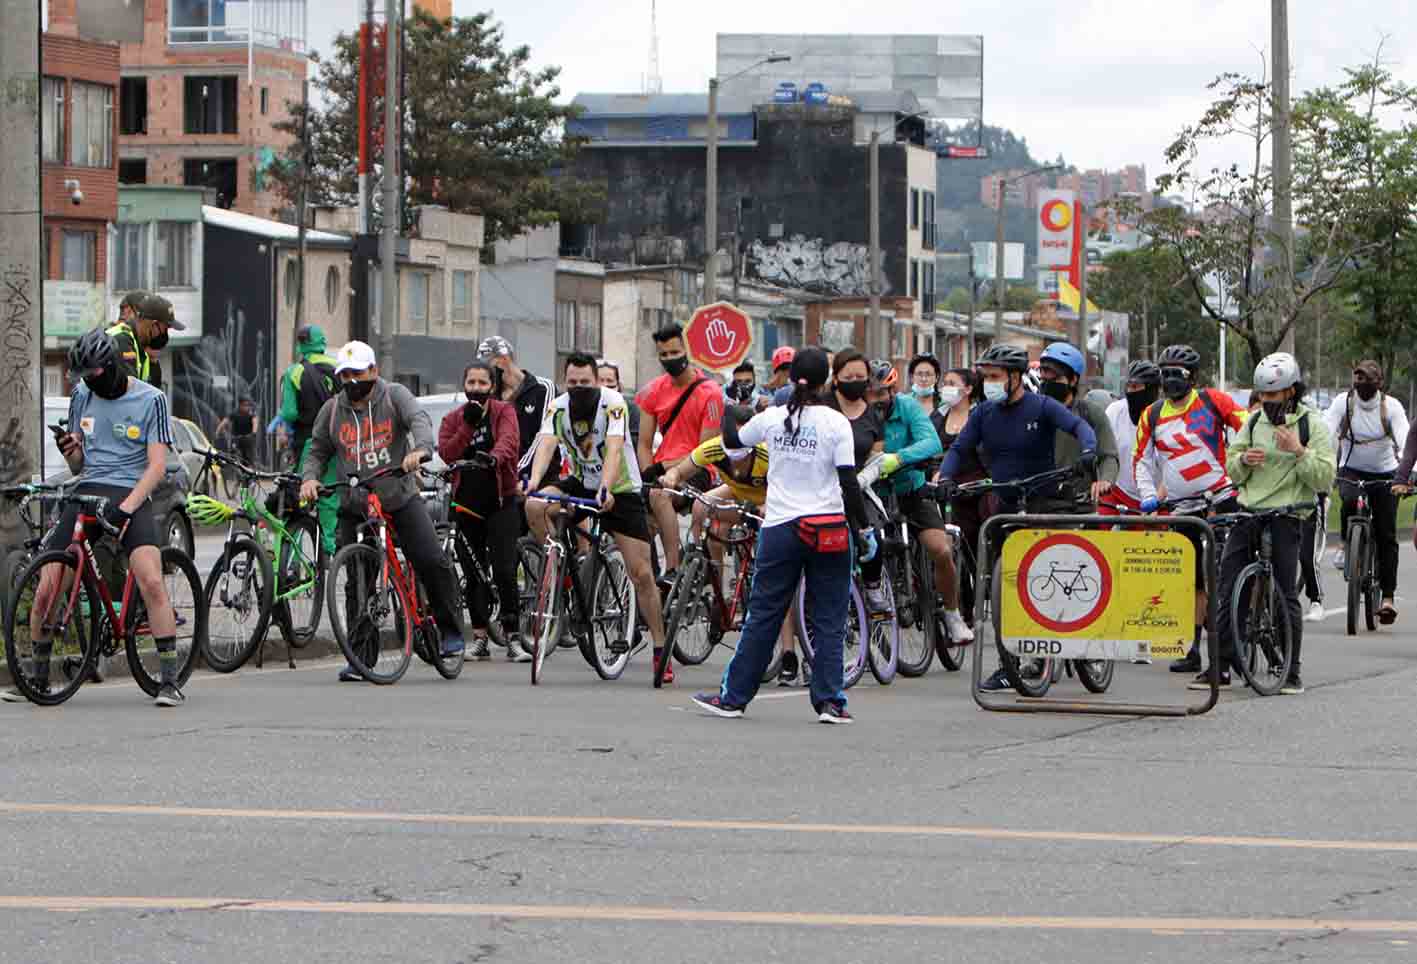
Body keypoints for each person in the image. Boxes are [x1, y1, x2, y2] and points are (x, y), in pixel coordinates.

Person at [691, 347, 875, 723]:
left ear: (791, 379)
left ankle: (734, 698)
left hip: (780, 529)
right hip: (829, 529)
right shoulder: (836, 422)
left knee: (764, 615)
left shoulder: (772, 418)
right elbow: (848, 483)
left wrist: (730, 411)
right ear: (829, 380)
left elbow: (733, 445)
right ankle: (830, 702)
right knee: (829, 618)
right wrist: (864, 529)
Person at [4, 329, 185, 706]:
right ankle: (36, 678)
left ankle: (169, 679)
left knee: (151, 579)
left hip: (131, 493)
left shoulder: (151, 400)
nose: (89, 382)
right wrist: (69, 451)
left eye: (95, 375)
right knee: (47, 586)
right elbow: (78, 466)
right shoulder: (83, 394)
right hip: (88, 489)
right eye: (83, 376)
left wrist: (128, 507)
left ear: (114, 366)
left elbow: (155, 468)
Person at [934, 343, 1098, 692]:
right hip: (1003, 505)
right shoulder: (983, 414)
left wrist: (1087, 452)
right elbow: (960, 448)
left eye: (994, 377)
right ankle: (1010, 661)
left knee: (1048, 574)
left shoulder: (1041, 406)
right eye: (985, 377)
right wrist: (946, 478)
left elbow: (1081, 428)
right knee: (1004, 583)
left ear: (1014, 377)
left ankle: (1064, 638)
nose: (988, 383)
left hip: (1042, 501)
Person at [298, 341, 465, 679]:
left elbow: (419, 422)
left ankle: (450, 631)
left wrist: (419, 450)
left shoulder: (394, 396)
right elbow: (316, 451)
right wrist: (309, 479)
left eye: (357, 373)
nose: (351, 380)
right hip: (355, 502)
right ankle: (362, 658)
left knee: (432, 559)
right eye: (344, 375)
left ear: (373, 371)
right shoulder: (331, 411)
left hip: (399, 498)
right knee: (357, 581)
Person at [1196, 353, 1334, 695]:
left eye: (1275, 395)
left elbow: (1324, 478)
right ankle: (1221, 665)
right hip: (1249, 511)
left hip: (1287, 514)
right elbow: (1232, 466)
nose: (1268, 402)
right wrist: (1243, 459)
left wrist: (1298, 451)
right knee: (1227, 588)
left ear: (1291, 391)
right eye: (1263, 395)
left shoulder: (1311, 425)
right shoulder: (1254, 424)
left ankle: (1291, 672)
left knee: (1286, 592)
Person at [523, 353, 668, 675]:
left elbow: (615, 447)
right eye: (572, 383)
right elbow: (546, 443)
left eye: (585, 383)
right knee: (534, 505)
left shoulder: (612, 403)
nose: (578, 388)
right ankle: (558, 571)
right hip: (579, 481)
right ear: (565, 382)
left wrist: (606, 486)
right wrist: (533, 481)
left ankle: (660, 646)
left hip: (620, 488)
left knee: (642, 574)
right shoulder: (558, 406)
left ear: (596, 382)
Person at [659, 405, 797, 685]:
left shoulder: (767, 453)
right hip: (737, 495)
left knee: (773, 578)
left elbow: (787, 487)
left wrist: (766, 507)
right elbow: (681, 470)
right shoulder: (714, 448)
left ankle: (787, 653)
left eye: (741, 457)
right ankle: (709, 575)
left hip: (771, 499)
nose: (735, 465)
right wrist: (670, 479)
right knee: (700, 505)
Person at [1132, 344, 1248, 673]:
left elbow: (1249, 428)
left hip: (1221, 499)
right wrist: (1147, 495)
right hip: (1182, 508)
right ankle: (1192, 649)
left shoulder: (1213, 401)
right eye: (1164, 374)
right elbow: (1141, 460)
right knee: (1193, 582)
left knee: (1222, 579)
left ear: (1193, 377)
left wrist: (1243, 466)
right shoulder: (1152, 415)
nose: (1170, 381)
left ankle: (1226, 653)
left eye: (1177, 374)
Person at [864, 359, 974, 643]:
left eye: (881, 393)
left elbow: (932, 443)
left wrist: (898, 458)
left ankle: (952, 614)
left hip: (911, 489)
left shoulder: (909, 407)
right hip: (873, 494)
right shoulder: (857, 412)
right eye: (870, 393)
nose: (876, 400)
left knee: (941, 549)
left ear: (892, 390)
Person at [437, 360, 529, 663]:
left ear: (492, 387)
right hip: (465, 504)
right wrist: (468, 424)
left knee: (503, 569)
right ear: (464, 385)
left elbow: (509, 443)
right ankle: (478, 638)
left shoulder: (504, 412)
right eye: (471, 383)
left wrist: (493, 458)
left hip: (501, 501)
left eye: (482, 383)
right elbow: (448, 453)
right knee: (474, 573)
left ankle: (513, 637)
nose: (476, 389)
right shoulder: (453, 419)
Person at [636, 324, 724, 583]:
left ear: (687, 350)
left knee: (660, 497)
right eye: (663, 355)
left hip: (698, 470)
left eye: (674, 352)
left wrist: (663, 468)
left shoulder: (711, 393)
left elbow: (704, 450)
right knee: (636, 514)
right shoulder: (652, 391)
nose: (669, 359)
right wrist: (646, 473)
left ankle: (672, 570)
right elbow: (643, 443)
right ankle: (646, 578)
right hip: (660, 471)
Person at [1326, 360, 1408, 624]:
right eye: (1358, 379)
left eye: (1368, 381)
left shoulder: (1391, 407)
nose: (1362, 385)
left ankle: (1387, 597)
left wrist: (1408, 473)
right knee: (1349, 499)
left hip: (1386, 473)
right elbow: (1327, 430)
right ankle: (1346, 543)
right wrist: (1324, 461)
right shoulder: (1343, 403)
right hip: (1351, 468)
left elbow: (1406, 439)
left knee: (1386, 534)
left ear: (1379, 383)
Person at [1035, 342, 1119, 511]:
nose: (1047, 384)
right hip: (1036, 503)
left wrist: (1105, 480)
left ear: (1073, 380)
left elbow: (1108, 455)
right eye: (1043, 379)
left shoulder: (1090, 413)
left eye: (1056, 379)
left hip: (1078, 505)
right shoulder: (1030, 411)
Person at [279, 325, 340, 555]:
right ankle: (331, 553)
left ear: (300, 345)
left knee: (299, 501)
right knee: (330, 501)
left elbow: (289, 413)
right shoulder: (339, 368)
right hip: (338, 443)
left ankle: (292, 564)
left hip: (308, 443)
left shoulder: (294, 372)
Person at [476, 335, 558, 486]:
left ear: (504, 360)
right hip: (502, 482)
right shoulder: (491, 397)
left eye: (488, 366)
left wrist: (517, 473)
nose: (485, 372)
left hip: (539, 480)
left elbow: (543, 436)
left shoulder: (543, 388)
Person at [1097, 360, 1163, 516]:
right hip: (1119, 493)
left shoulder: (1167, 416)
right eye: (1128, 386)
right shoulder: (1115, 411)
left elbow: (1173, 466)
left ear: (1152, 390)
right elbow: (1104, 451)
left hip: (1159, 497)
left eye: (1136, 387)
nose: (1130, 392)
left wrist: (1156, 502)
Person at [108, 293, 184, 388]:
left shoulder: (140, 349)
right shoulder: (122, 339)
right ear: (153, 324)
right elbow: (130, 393)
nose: (164, 335)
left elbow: (153, 391)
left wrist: (153, 360)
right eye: (165, 329)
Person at [598, 360, 641, 450]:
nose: (605, 385)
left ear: (618, 385)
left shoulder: (630, 408)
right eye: (600, 380)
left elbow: (636, 440)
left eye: (609, 381)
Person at [216, 398, 260, 468]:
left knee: (249, 456)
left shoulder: (251, 414)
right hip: (236, 438)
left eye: (248, 405)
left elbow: (255, 422)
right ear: (240, 405)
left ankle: (250, 469)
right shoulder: (235, 413)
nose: (246, 407)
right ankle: (232, 468)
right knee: (232, 452)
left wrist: (253, 433)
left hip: (247, 438)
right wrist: (218, 431)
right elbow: (225, 421)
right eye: (244, 405)